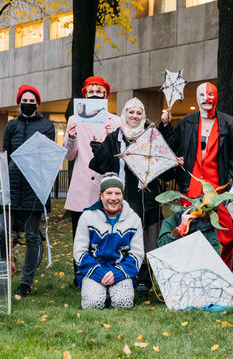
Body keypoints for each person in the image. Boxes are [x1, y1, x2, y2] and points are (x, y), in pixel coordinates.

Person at [89, 97, 179, 296]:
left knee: (148, 239)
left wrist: (171, 159)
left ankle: (145, 280)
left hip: (147, 197)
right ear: (125, 114)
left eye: (139, 113)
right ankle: (125, 277)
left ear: (144, 116)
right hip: (122, 197)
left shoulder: (151, 136)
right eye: (131, 112)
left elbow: (165, 169)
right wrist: (99, 147)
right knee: (124, 239)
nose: (135, 116)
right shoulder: (114, 137)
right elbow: (101, 165)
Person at [161, 82, 233, 269]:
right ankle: (194, 271)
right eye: (202, 95)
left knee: (228, 235)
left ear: (216, 97)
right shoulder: (186, 123)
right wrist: (167, 126)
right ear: (197, 98)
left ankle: (222, 272)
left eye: (210, 94)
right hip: (192, 190)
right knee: (191, 233)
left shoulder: (229, 124)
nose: (206, 99)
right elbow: (171, 151)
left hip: (221, 191)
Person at [64, 76, 121, 285]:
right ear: (85, 95)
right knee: (80, 235)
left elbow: (118, 156)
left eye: (99, 93)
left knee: (105, 235)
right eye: (90, 92)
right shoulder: (74, 120)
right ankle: (80, 277)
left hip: (105, 187)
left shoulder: (115, 121)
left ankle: (104, 276)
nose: (95, 95)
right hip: (81, 186)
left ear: (105, 96)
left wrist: (111, 137)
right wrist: (70, 138)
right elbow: (69, 156)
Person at [2, 84, 55, 297]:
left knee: (32, 235)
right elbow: (6, 154)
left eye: (32, 101)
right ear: (19, 102)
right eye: (25, 100)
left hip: (35, 186)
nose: (28, 103)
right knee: (4, 234)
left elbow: (48, 155)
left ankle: (26, 281)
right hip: (12, 186)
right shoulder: (11, 126)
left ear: (37, 104)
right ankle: (3, 274)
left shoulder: (46, 125)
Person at [73, 174, 144, 309]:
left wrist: (117, 273)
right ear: (101, 195)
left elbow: (137, 254)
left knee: (123, 303)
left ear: (123, 195)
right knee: (93, 304)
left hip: (121, 271)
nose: (113, 198)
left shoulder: (134, 219)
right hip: (93, 271)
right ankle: (101, 293)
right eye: (109, 193)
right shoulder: (87, 217)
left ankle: (111, 293)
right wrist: (99, 273)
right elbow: (79, 252)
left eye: (118, 193)